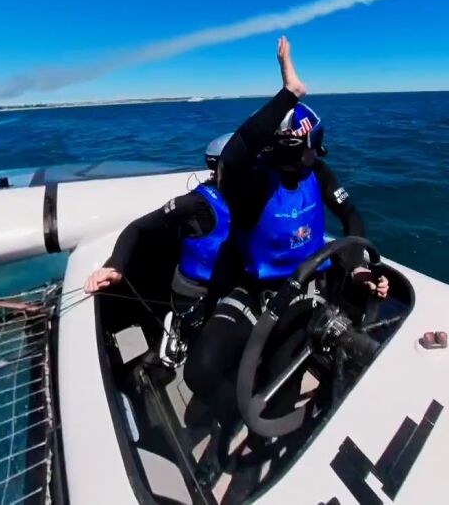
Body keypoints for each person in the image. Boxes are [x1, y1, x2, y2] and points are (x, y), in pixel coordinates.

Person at [183, 37, 386, 495]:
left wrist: (356, 267)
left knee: (281, 385)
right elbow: (236, 152)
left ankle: (257, 450)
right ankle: (230, 419)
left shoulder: (320, 175)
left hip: (301, 297)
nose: (295, 160)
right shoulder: (253, 183)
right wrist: (289, 93)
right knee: (201, 370)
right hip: (252, 293)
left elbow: (351, 217)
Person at [84, 133, 235, 356]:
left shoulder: (259, 199)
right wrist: (115, 267)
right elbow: (138, 228)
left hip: (232, 286)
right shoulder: (195, 204)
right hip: (196, 292)